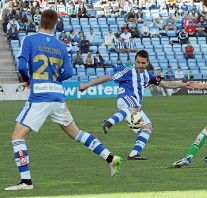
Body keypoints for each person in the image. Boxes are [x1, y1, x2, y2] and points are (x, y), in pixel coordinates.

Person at [4, 9, 122, 191]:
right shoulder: (61, 46)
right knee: (76, 133)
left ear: (40, 22)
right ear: (55, 25)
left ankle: (26, 181)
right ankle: (110, 158)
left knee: (17, 138)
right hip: (58, 95)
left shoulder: (29, 40)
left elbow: (21, 66)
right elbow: (68, 73)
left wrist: (28, 79)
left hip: (41, 96)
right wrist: (54, 77)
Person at [78, 50, 190, 160]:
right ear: (135, 61)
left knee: (148, 127)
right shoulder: (128, 71)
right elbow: (108, 77)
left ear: (147, 63)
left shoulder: (148, 75)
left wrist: (183, 84)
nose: (140, 65)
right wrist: (87, 85)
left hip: (133, 106)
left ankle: (134, 154)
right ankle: (108, 122)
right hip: (126, 99)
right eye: (138, 62)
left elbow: (165, 84)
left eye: (143, 63)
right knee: (134, 107)